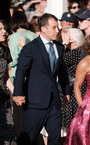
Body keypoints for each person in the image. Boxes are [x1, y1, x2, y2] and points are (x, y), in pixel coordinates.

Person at [12, 13, 70, 145]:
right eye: (54, 27)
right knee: (29, 138)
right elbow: (21, 71)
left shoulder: (59, 47)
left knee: (55, 139)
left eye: (57, 27)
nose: (57, 30)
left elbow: (62, 72)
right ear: (43, 28)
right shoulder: (30, 48)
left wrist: (66, 91)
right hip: (35, 102)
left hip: (54, 102)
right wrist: (18, 93)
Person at [8, 11, 37, 144]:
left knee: (18, 113)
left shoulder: (13, 37)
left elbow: (13, 60)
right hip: (33, 76)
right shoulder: (34, 35)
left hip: (17, 77)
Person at [0, 20, 16, 145]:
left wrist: (16, 92)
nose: (4, 31)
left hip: (3, 97)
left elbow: (6, 77)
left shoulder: (4, 49)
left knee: (9, 129)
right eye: (0, 29)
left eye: (4, 29)